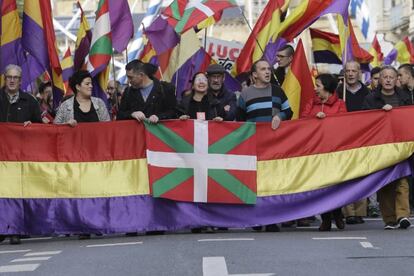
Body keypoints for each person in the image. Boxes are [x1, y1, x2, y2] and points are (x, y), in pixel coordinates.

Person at [237, 59, 293, 232]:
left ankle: (271, 220)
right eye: (263, 69)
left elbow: (289, 111)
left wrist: (280, 117)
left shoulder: (277, 91)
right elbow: (239, 121)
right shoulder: (245, 94)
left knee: (272, 183)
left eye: (269, 69)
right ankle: (256, 219)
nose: (267, 72)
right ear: (254, 75)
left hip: (273, 146)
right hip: (253, 147)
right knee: (255, 184)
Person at [363, 65, 412, 230]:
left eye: (392, 77)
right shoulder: (371, 99)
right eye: (385, 77)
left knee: (402, 181)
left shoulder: (405, 97)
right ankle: (390, 219)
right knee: (385, 183)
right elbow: (365, 122)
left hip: (401, 146)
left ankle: (403, 216)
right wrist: (379, 113)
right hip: (381, 148)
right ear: (380, 80)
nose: (389, 80)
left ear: (397, 79)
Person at [0, 64, 42, 244]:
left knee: (16, 193)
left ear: (20, 80)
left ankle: (15, 229)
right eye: (8, 76)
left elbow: (40, 127)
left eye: (15, 77)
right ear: (4, 79)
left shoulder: (30, 101)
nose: (11, 80)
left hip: (19, 157)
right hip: (1, 156)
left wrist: (31, 128)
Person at [301, 74, 347, 231]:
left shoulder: (340, 104)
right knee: (321, 186)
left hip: (334, 153)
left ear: (327, 87)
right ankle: (326, 219)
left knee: (335, 186)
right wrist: (315, 117)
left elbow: (344, 125)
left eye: (318, 85)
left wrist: (328, 120)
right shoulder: (311, 103)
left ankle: (338, 213)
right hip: (316, 153)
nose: (315, 88)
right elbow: (302, 122)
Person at [337, 61, 370, 225]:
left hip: (363, 139)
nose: (350, 74)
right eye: (347, 71)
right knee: (346, 175)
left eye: (353, 71)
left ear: (359, 73)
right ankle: (348, 212)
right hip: (344, 139)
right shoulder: (338, 92)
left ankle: (360, 211)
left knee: (362, 174)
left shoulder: (368, 93)